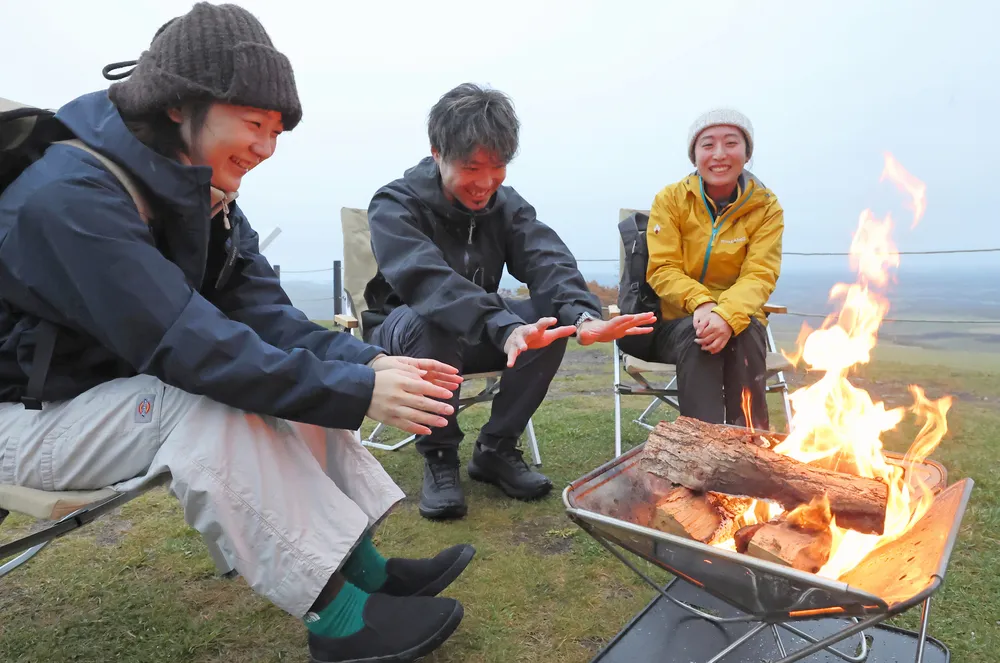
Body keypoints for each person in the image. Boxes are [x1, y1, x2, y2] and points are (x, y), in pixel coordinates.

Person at [0, 5, 472, 662]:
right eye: (254, 123)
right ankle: (339, 621)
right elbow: (186, 346)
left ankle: (364, 572)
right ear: (177, 106)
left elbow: (271, 322)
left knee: (284, 374)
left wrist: (369, 363)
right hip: (23, 421)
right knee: (209, 396)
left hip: (100, 399)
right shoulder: (70, 196)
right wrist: (355, 388)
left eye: (276, 130)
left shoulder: (202, 198)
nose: (266, 147)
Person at [363, 83, 655, 521]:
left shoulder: (505, 205)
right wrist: (502, 324)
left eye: (497, 167)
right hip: (403, 335)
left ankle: (495, 449)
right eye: (471, 166)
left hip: (483, 328)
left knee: (547, 322)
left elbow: (546, 258)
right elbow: (428, 283)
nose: (485, 183)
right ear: (436, 152)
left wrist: (582, 314)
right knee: (436, 320)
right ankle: (440, 456)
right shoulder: (394, 205)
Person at [618, 109, 783, 430]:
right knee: (701, 337)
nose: (719, 154)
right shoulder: (671, 200)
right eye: (708, 145)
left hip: (740, 323)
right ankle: (701, 449)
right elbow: (662, 269)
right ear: (694, 155)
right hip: (673, 323)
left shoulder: (766, 208)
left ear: (747, 154)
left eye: (731, 143)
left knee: (745, 331)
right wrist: (704, 305)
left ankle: (751, 445)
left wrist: (726, 316)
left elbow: (760, 274)